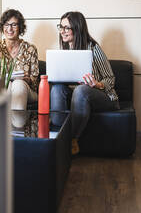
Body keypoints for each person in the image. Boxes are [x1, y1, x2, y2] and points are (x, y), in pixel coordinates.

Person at [50, 11, 120, 154]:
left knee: (81, 90)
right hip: (77, 96)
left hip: (103, 96)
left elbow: (110, 79)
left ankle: (72, 139)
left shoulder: (93, 48)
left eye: (66, 28)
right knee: (56, 89)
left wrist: (97, 84)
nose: (62, 31)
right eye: (61, 27)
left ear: (77, 28)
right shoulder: (63, 52)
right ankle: (58, 136)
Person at [0, 9, 39, 110]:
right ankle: (9, 123)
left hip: (27, 91)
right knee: (9, 84)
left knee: (18, 84)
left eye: (14, 25)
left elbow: (35, 81)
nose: (10, 29)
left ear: (20, 27)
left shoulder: (30, 49)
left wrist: (26, 79)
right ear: (2, 27)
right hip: (4, 89)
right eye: (6, 25)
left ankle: (17, 125)